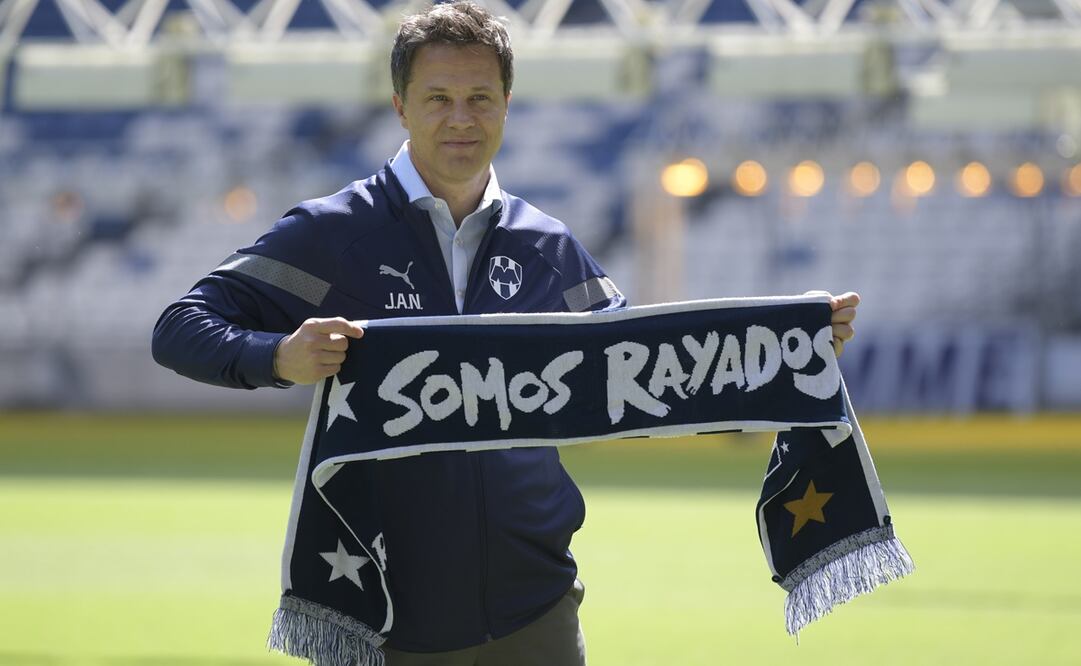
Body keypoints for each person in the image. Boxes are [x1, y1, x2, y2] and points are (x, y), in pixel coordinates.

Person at [152, 2, 859, 664]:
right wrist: (276, 355)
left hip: (538, 612)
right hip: (384, 611)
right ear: (400, 106)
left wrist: (785, 346)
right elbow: (179, 327)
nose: (460, 119)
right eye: (438, 99)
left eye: (479, 99)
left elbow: (646, 374)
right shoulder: (333, 232)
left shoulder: (546, 244)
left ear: (507, 106)